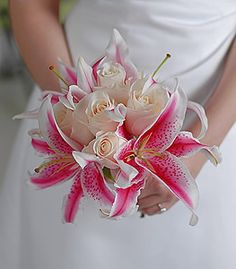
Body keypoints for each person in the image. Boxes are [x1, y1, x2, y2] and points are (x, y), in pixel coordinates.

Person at [1, 0, 236, 268]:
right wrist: (86, 121)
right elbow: (31, 6)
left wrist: (196, 154)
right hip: (73, 117)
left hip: (215, 126)